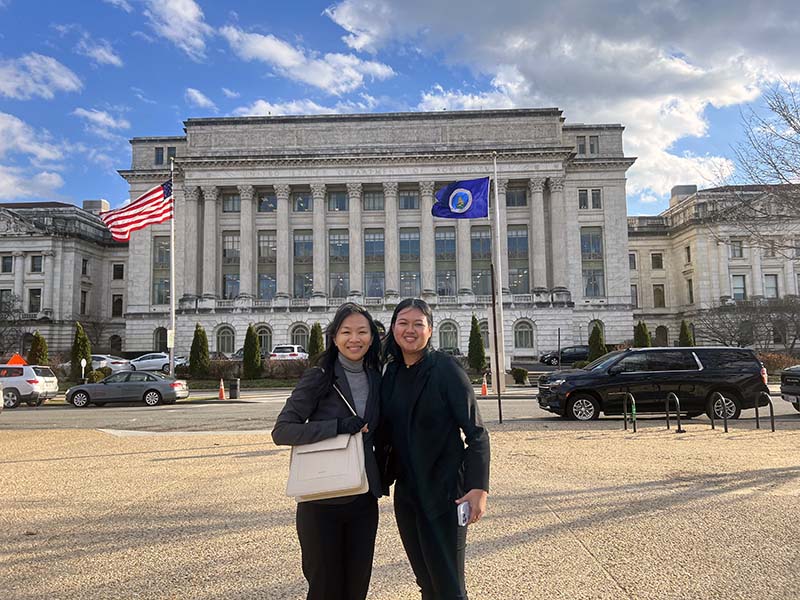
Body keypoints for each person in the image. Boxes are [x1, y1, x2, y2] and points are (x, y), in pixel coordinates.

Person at [378, 298, 491, 600]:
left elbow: (477, 433)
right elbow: (384, 432)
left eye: (418, 324)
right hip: (408, 495)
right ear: (393, 328)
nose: (410, 330)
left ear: (430, 330)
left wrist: (478, 487)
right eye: (403, 323)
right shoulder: (391, 374)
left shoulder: (445, 369)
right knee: (426, 582)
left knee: (449, 586)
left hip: (445, 493)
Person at [272, 303, 383, 600]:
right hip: (321, 500)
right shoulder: (319, 375)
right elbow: (282, 431)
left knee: (357, 588)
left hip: (363, 500)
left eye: (362, 332)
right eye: (346, 332)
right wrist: (338, 426)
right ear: (334, 337)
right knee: (324, 589)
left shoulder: (377, 377)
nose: (354, 339)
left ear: (372, 337)